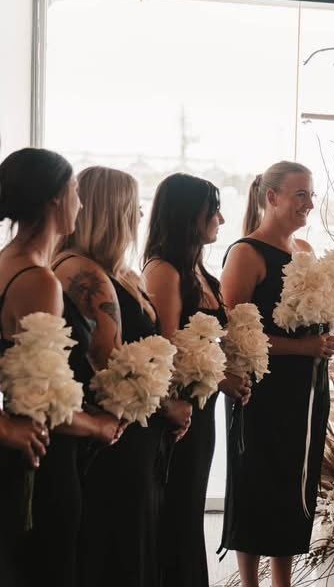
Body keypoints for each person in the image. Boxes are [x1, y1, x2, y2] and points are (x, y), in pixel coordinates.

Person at [54, 165, 184, 586]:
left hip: (132, 433)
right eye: (133, 206)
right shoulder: (85, 274)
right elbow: (109, 367)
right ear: (113, 212)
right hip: (115, 438)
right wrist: (169, 406)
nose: (140, 215)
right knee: (117, 547)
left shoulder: (105, 271)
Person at [0, 148, 122, 587]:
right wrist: (99, 426)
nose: (81, 203)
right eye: (74, 191)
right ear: (55, 199)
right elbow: (46, 402)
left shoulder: (5, 263)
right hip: (41, 465)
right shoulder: (38, 281)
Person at [219, 161, 333, 587]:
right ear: (272, 197)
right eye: (300, 194)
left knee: (293, 485)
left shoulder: (303, 250)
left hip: (306, 390)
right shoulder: (245, 253)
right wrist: (302, 347)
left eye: (311, 194)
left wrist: (325, 332)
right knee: (255, 485)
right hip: (261, 392)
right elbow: (234, 335)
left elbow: (314, 316)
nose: (309, 203)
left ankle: (283, 581)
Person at [144, 173, 249, 587]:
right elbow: (165, 348)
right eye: (213, 209)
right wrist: (220, 379)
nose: (220, 219)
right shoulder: (164, 271)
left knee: (189, 511)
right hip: (178, 412)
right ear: (189, 215)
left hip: (203, 409)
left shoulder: (199, 271)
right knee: (176, 513)